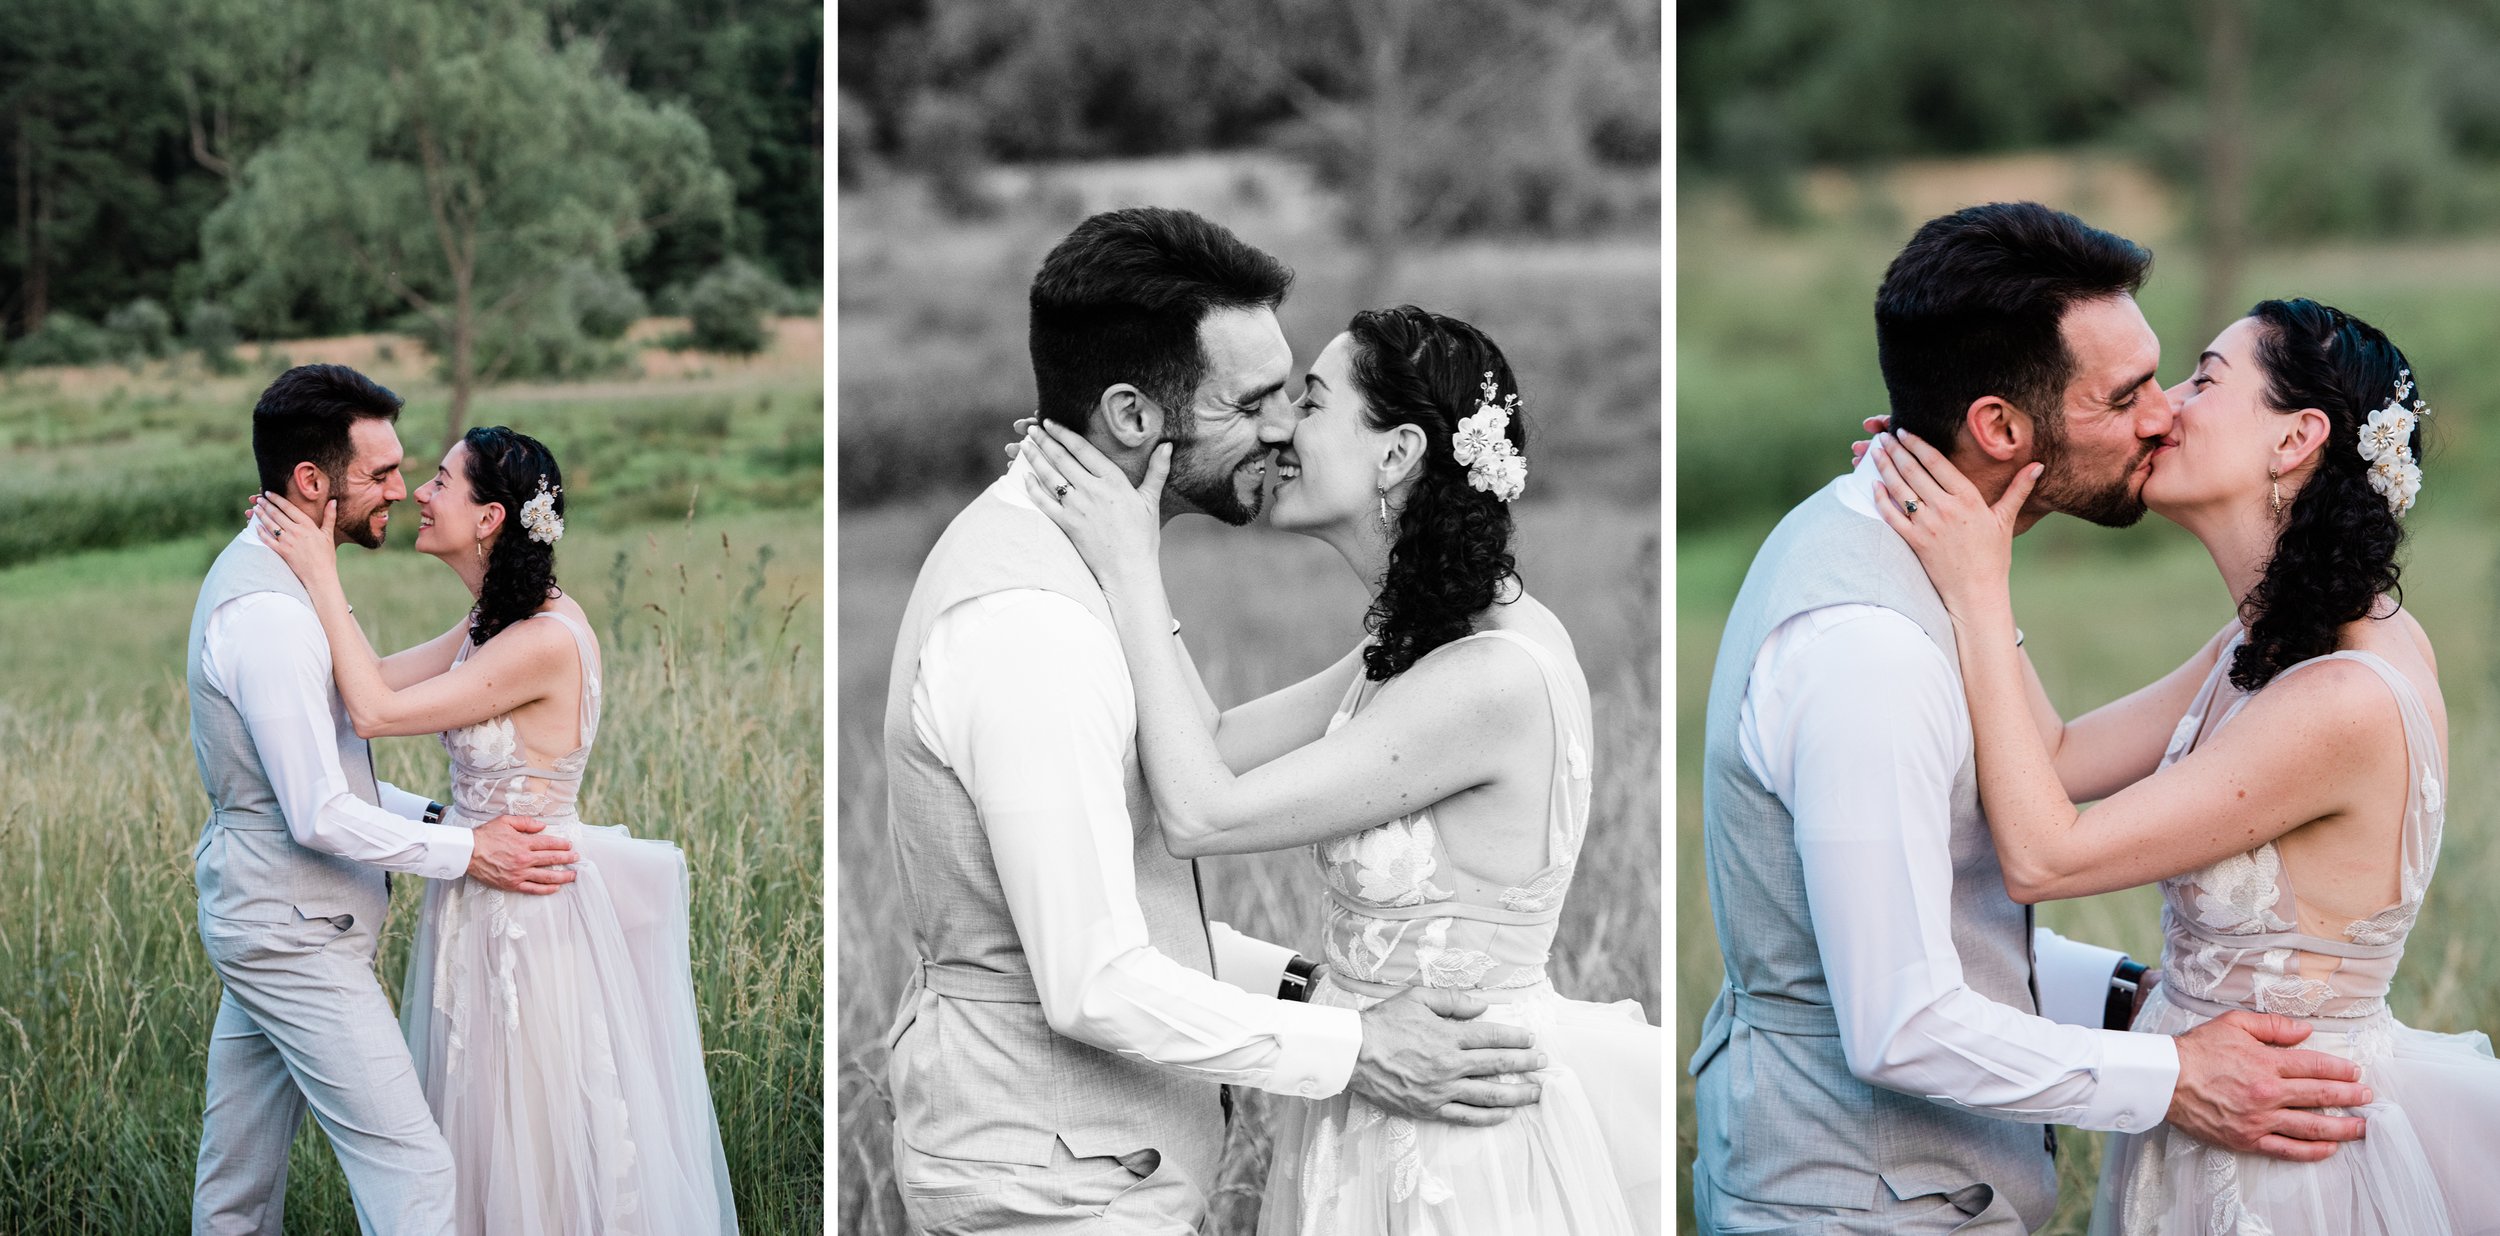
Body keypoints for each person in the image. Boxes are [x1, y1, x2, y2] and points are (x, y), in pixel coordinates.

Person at [1689, 204, 2375, 1235]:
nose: (2162, 415)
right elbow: (1899, 1020)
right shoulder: (1863, 653)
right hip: (1853, 1201)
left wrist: (2122, 997)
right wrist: (2170, 1073)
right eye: (2126, 394)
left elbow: (1962, 884)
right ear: (2002, 428)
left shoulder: (1934, 553)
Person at [878, 206, 1545, 1234]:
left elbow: (1193, 772)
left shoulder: (1094, 565)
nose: (1283, 428)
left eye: (1294, 393)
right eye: (1254, 401)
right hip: (1047, 1193)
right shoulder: (1029, 630)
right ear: (1136, 418)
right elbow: (1091, 977)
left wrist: (1312, 986)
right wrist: (1358, 1048)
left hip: (1100, 1177)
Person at [1016, 302, 1663, 1233]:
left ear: (1396, 454)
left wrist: (1129, 568)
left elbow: (1202, 814)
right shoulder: (1418, 644)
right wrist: (1133, 540)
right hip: (1365, 1101)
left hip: (1450, 1150)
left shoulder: (1492, 675)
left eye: (1311, 403)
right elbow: (1219, 746)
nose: (1280, 427)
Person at [1868, 296, 2500, 1234]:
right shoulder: (2269, 640)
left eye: (2204, 380)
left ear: (2296, 439)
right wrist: (1972, 527)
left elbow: (2046, 855)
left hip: (2287, 1168)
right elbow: (2059, 756)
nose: (2162, 407)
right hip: (2201, 1117)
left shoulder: (2346, 697)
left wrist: (1977, 581)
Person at [252, 419, 737, 1235]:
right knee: (473, 1124)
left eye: (442, 480)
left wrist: (318, 570)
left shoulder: (543, 640)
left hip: (532, 918)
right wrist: (302, 591)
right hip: (475, 892)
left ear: (488, 520)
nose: (420, 494)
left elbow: (371, 715)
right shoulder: (490, 624)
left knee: (535, 1134)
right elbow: (360, 684)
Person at [188, 365, 581, 1236]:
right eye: (385, 475)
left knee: (236, 1184)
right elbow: (319, 810)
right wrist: (470, 851)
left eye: (419, 474)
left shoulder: (287, 590)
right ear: (310, 484)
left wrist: (447, 820)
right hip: (292, 937)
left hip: (273, 920)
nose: (403, 493)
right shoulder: (273, 617)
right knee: (416, 1176)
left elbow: (341, 754)